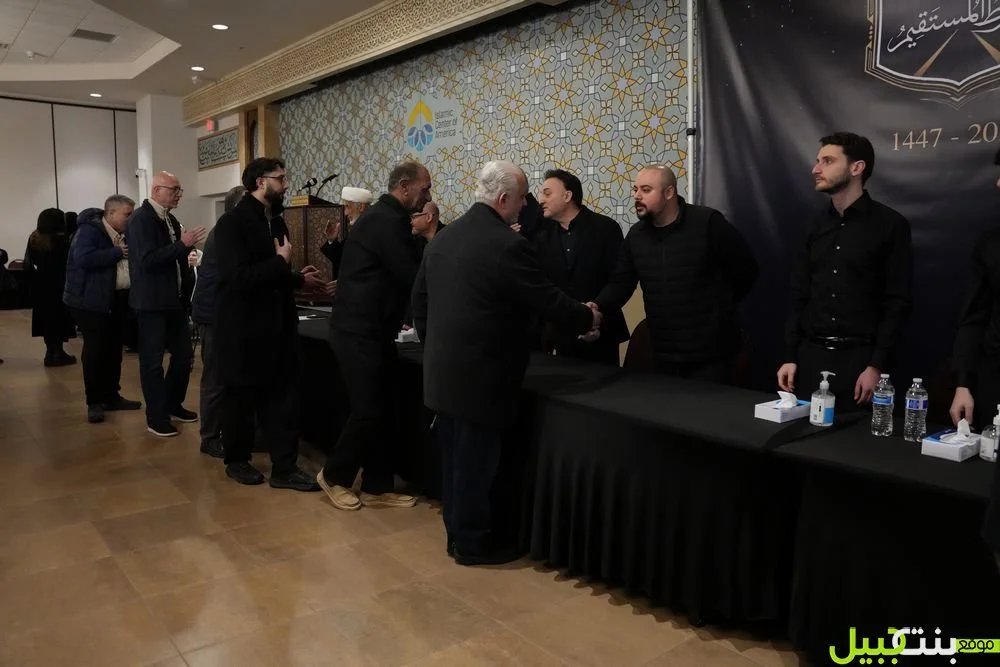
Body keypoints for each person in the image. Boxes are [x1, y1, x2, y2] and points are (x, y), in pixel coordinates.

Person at [412, 160, 598, 565]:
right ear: (503, 199)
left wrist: (436, 348)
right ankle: (474, 544)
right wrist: (588, 318)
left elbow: (419, 302)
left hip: (443, 375)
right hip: (482, 378)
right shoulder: (506, 244)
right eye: (522, 198)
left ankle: (457, 537)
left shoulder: (444, 238)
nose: (525, 205)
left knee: (455, 463)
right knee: (476, 466)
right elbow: (545, 298)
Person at [316, 161, 431, 511]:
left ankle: (377, 486)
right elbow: (411, 274)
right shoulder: (385, 221)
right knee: (368, 409)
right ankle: (334, 476)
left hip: (374, 331)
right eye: (425, 187)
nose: (428, 194)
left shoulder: (388, 218)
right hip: (358, 332)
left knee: (383, 407)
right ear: (405, 187)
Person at [213, 158, 328, 490]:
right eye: (280, 178)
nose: (286, 184)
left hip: (278, 328)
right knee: (241, 399)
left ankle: (285, 468)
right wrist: (280, 262)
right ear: (261, 182)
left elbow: (273, 274)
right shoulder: (232, 224)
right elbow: (237, 278)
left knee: (282, 400)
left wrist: (298, 279)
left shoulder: (275, 221)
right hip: (244, 330)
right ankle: (237, 460)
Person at [777, 132, 913, 408]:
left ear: (857, 167)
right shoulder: (813, 226)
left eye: (827, 161)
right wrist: (790, 355)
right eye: (817, 161)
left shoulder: (890, 225)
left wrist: (876, 365)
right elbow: (799, 295)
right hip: (809, 357)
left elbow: (896, 301)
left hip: (861, 362)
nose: (816, 169)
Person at [594, 165, 758, 381]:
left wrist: (719, 308)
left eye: (646, 190)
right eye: (635, 189)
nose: (637, 196)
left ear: (669, 192)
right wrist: (596, 307)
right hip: (662, 352)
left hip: (711, 354)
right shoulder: (636, 235)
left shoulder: (707, 223)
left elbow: (746, 270)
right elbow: (621, 282)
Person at [949, 147, 1000, 570]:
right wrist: (964, 383)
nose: (998, 184)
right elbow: (973, 318)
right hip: (992, 380)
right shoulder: (991, 243)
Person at [127, 170, 207, 437]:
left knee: (184, 356)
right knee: (152, 362)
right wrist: (182, 245)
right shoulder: (141, 219)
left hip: (173, 301)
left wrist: (188, 253)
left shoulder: (169, 218)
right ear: (156, 190)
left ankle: (173, 404)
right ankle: (156, 416)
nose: (179, 195)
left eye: (179, 190)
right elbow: (147, 260)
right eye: (174, 190)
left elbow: (173, 256)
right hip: (151, 302)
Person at [534, 168, 627, 364]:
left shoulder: (605, 228)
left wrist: (595, 309)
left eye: (547, 193)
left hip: (603, 331)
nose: (540, 200)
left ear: (568, 196)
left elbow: (620, 279)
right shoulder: (541, 236)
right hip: (559, 335)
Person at [63, 197, 142, 423]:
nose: (131, 219)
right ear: (111, 213)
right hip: (89, 301)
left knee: (113, 350)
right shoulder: (89, 231)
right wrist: (116, 253)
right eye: (127, 214)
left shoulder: (124, 233)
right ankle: (94, 401)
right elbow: (83, 258)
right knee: (96, 351)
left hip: (117, 299)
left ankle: (111, 396)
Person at [189, 185, 245, 458]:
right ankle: (210, 437)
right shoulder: (227, 231)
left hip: (222, 311)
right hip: (214, 313)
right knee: (215, 377)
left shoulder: (233, 229)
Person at [24, 208, 76, 367]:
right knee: (59, 319)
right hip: (59, 285)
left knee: (46, 320)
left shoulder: (35, 239)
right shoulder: (62, 240)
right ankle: (58, 352)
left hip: (41, 286)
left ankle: (50, 352)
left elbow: (29, 263)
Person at [320, 186, 374, 278]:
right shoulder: (357, 229)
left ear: (361, 207)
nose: (345, 213)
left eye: (348, 207)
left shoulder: (371, 231)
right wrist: (332, 240)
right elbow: (342, 259)